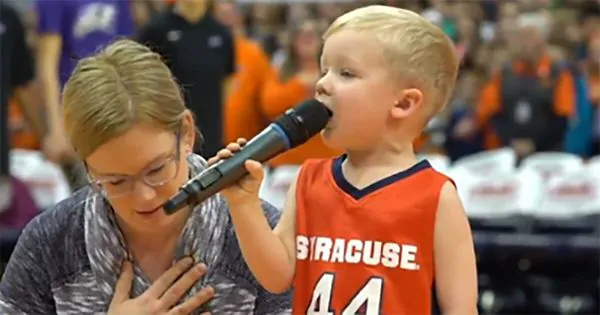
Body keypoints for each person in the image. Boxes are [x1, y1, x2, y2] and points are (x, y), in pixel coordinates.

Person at [212, 5, 478, 314]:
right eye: (324, 70)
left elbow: (461, 309)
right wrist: (243, 205)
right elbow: (276, 277)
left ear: (404, 103)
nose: (322, 84)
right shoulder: (308, 179)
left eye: (346, 73)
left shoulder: (436, 197)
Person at [0, 39, 291, 314]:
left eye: (156, 170)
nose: (144, 196)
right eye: (115, 181)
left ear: (186, 132)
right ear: (86, 165)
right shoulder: (51, 243)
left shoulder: (266, 242)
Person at [36, 0, 136, 188]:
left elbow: (127, 53)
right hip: (77, 108)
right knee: (91, 190)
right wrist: (56, 128)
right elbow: (47, 68)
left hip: (115, 104)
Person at [136, 0, 235, 157]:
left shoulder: (221, 34)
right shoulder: (156, 30)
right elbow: (140, 80)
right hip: (169, 132)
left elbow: (228, 82)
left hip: (210, 133)